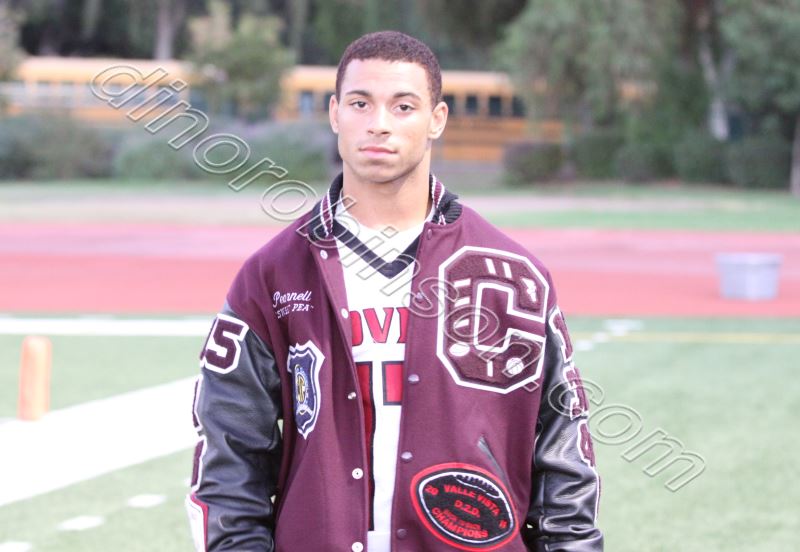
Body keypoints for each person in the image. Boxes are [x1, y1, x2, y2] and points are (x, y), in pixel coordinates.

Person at [186, 30, 603, 552]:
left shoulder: (510, 275)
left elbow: (562, 455)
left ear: (437, 119)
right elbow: (230, 455)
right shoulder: (274, 275)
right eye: (361, 103)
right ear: (335, 113)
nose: (378, 123)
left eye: (403, 106)